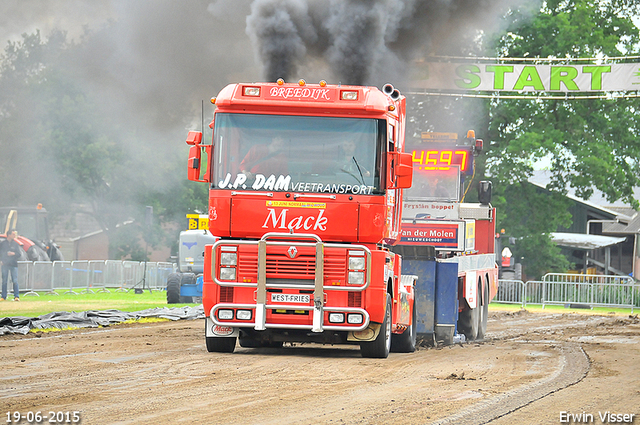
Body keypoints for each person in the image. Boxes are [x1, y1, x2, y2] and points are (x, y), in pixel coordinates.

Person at [0, 229, 21, 301]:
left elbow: (19, 254)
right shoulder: (2, 244)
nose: (14, 235)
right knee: (4, 281)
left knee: (15, 280)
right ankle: (3, 296)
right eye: (13, 234)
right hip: (5, 264)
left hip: (13, 265)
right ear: (8, 235)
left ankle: (16, 296)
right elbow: (1, 253)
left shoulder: (15, 244)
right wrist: (2, 260)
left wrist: (13, 254)